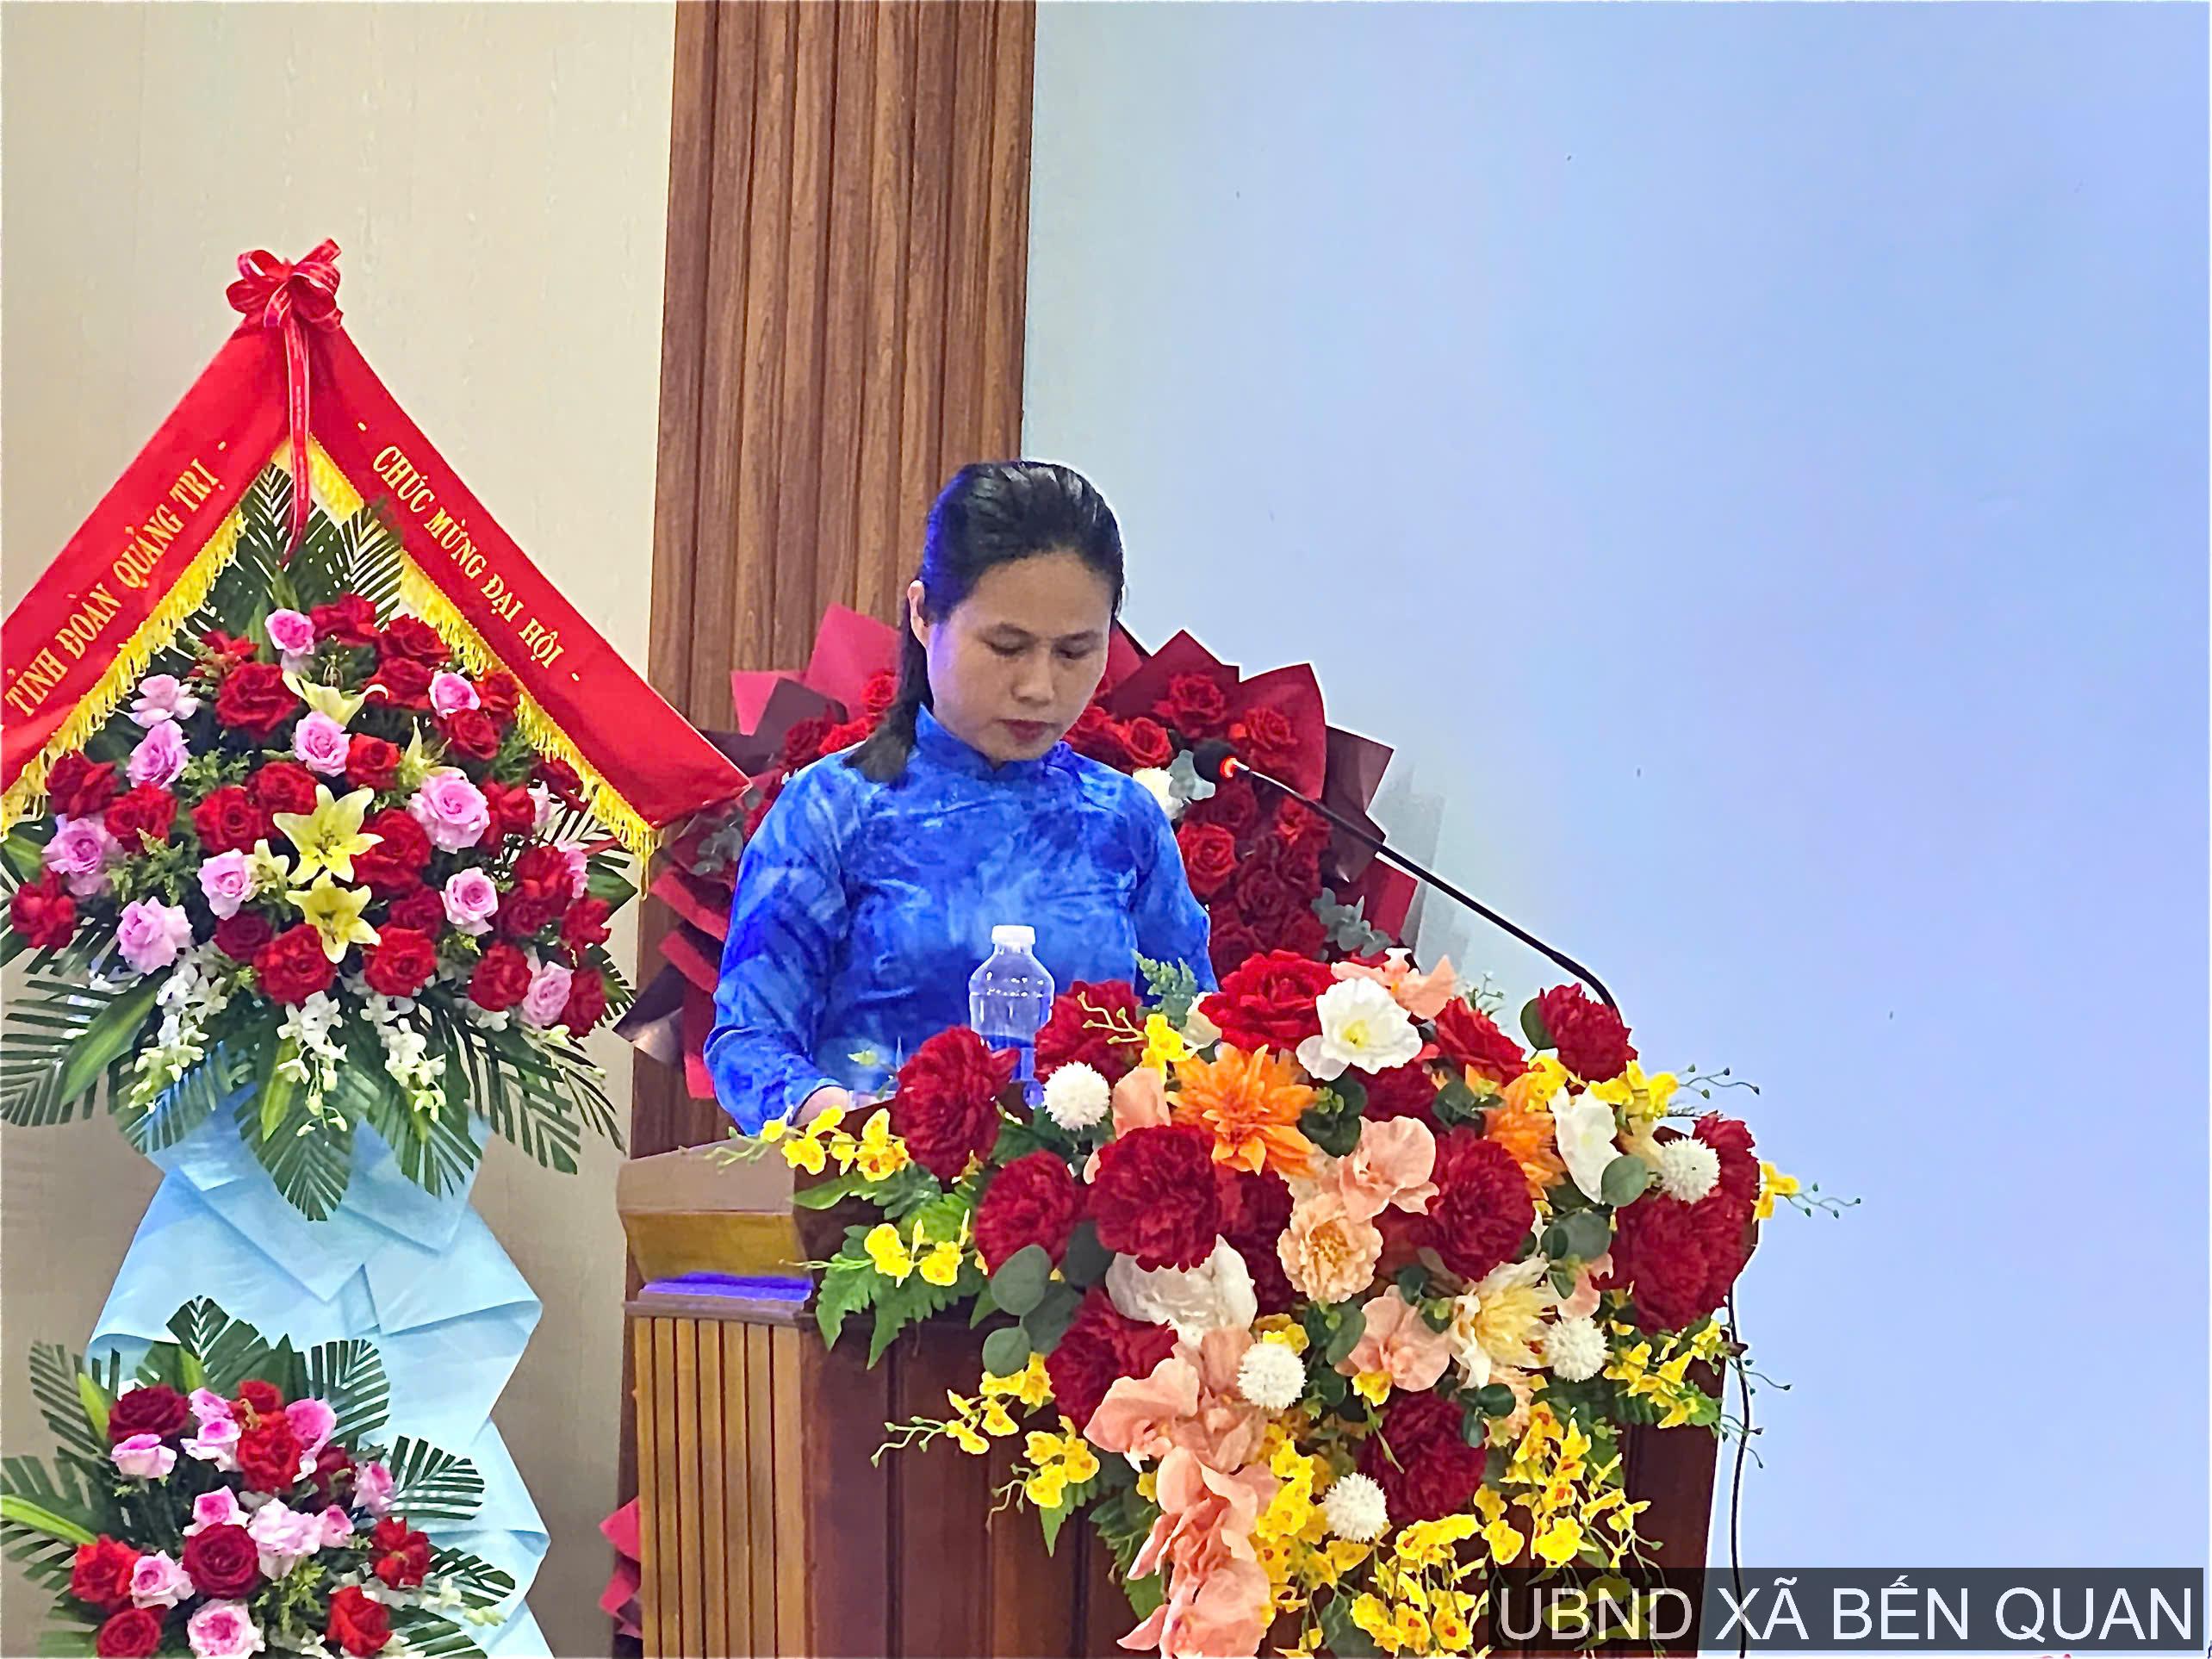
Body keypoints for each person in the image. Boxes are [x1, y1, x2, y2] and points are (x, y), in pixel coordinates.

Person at [706, 461, 1216, 1134]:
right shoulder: (834, 809)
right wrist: (849, 1121)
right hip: (879, 1190)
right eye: (1007, 646)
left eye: (1074, 652)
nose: (1039, 687)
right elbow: (748, 1043)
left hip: (1090, 1195)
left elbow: (1193, 1032)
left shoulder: (1123, 821)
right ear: (924, 615)